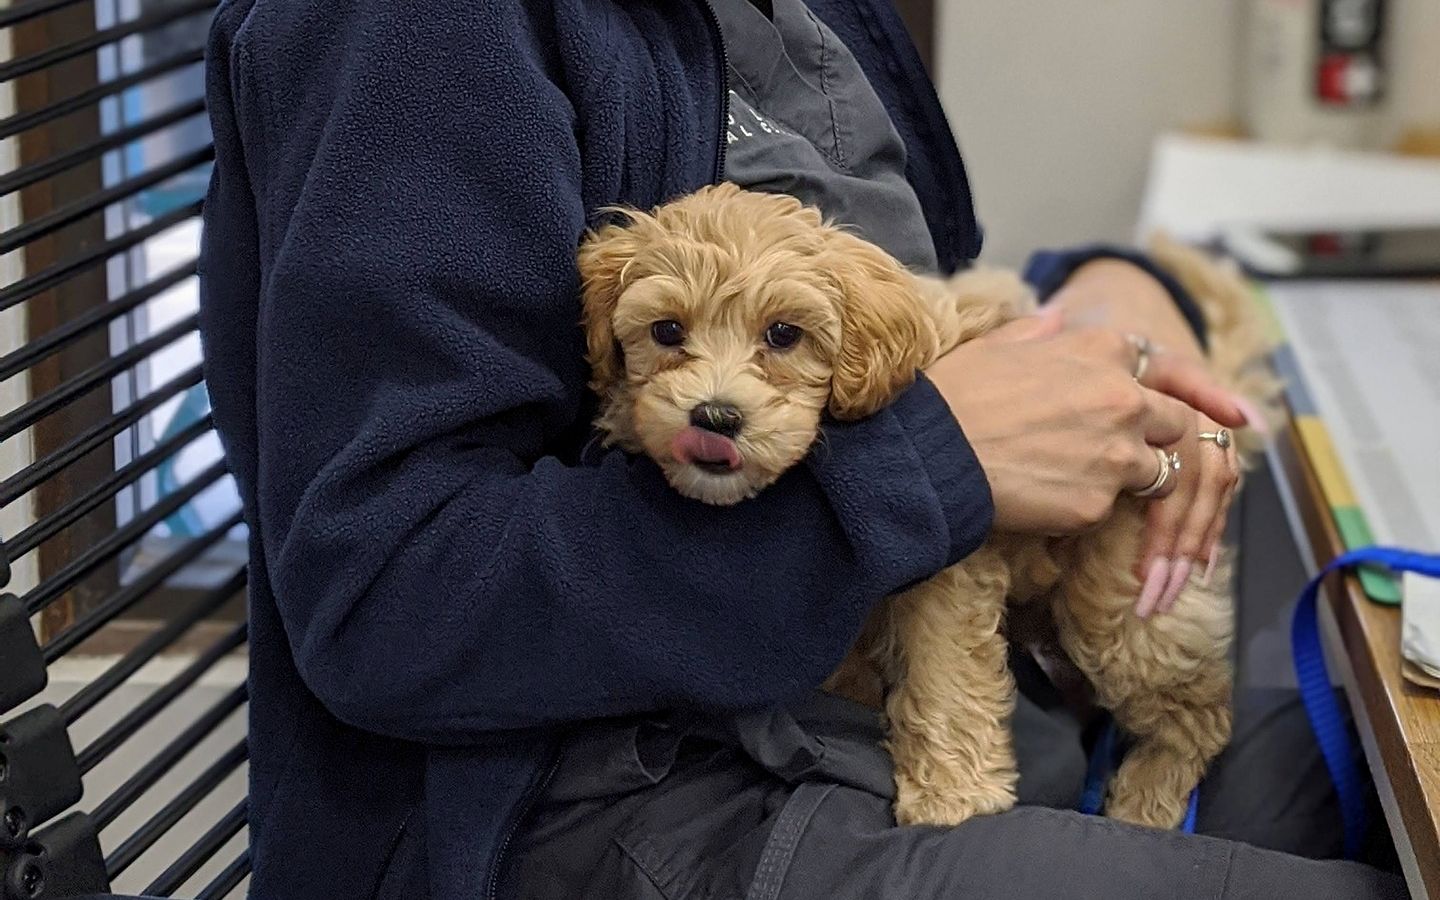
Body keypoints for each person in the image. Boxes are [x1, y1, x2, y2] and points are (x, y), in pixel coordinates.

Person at [198, 0, 1406, 897]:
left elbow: (898, 305)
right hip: (625, 800)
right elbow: (390, 599)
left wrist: (1109, 295)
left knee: (1365, 751)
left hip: (918, 679)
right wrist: (933, 468)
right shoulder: (419, 34)